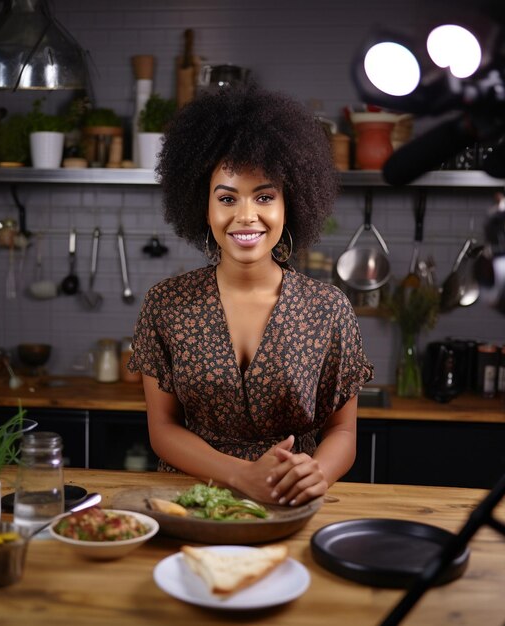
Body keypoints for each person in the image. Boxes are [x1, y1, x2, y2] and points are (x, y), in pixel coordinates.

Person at [128, 84, 373, 506]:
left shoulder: (329, 309)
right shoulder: (165, 304)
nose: (246, 216)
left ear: (288, 204)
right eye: (227, 198)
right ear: (203, 207)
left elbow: (343, 432)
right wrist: (243, 475)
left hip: (290, 500)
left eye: (264, 196)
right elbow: (162, 430)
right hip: (193, 500)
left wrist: (317, 473)